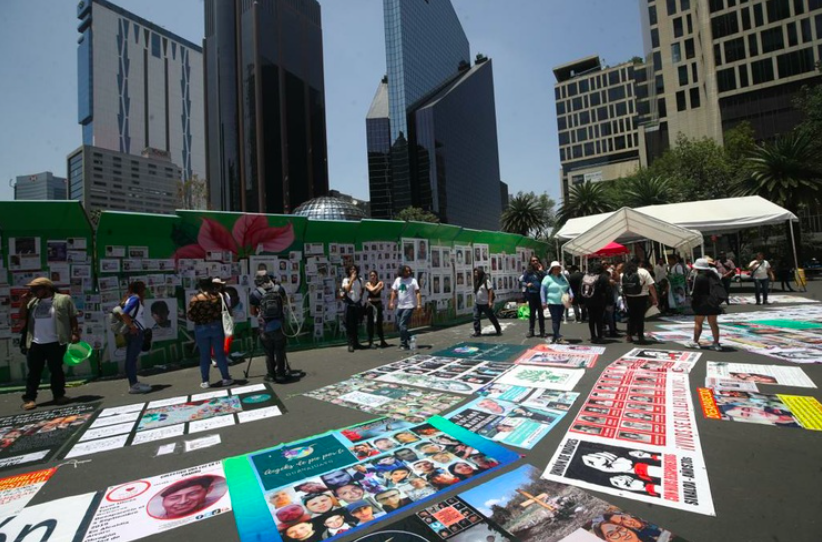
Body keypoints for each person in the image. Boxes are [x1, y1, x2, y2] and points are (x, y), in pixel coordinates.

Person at [18, 277, 81, 410]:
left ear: (46, 288)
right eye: (31, 289)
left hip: (56, 342)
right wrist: (23, 303)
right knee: (34, 372)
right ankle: (30, 398)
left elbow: (72, 317)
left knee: (56, 370)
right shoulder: (33, 302)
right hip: (35, 342)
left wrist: (75, 333)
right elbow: (22, 317)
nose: (32, 292)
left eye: (35, 289)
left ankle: (59, 395)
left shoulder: (64, 299)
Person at [249, 271, 304, 383]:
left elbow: (252, 312)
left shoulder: (255, 294)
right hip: (279, 325)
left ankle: (271, 375)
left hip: (264, 327)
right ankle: (281, 374)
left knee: (268, 352)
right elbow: (284, 303)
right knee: (280, 350)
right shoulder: (279, 289)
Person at [188, 278, 233, 389]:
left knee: (204, 355)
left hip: (201, 328)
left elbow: (190, 316)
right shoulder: (218, 297)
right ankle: (226, 378)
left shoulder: (195, 299)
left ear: (200, 286)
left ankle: (205, 381)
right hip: (216, 326)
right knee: (220, 354)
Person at [121, 281, 152, 394]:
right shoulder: (135, 299)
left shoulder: (130, 298)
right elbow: (124, 313)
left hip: (134, 332)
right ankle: (133, 385)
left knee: (132, 358)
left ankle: (134, 383)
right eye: (144, 289)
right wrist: (132, 326)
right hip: (135, 333)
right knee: (131, 359)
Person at [688, 258, 725, 352]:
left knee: (698, 322)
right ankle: (716, 343)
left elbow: (696, 292)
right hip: (713, 301)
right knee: (713, 323)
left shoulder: (699, 277)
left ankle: (695, 342)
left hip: (702, 302)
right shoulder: (713, 275)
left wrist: (693, 300)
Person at [621, 260, 658, 344]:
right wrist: (655, 298)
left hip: (629, 297)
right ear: (639, 264)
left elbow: (622, 286)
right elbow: (651, 286)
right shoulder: (643, 272)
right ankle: (640, 336)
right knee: (640, 317)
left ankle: (629, 335)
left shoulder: (624, 273)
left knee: (631, 316)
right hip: (641, 297)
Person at [388, 265, 422, 351]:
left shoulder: (413, 280)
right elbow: (393, 291)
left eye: (409, 271)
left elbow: (417, 292)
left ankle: (403, 344)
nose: (408, 272)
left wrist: (419, 304)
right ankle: (410, 337)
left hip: (409, 306)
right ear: (402, 272)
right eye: (406, 271)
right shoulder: (398, 280)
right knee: (398, 325)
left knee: (402, 324)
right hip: (400, 306)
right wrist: (391, 302)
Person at [541, 261, 572, 344]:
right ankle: (558, 337)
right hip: (552, 302)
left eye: (558, 268)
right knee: (555, 319)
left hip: (562, 301)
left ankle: (555, 335)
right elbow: (542, 290)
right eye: (554, 269)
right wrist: (543, 301)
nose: (556, 270)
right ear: (551, 269)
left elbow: (568, 287)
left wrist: (571, 294)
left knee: (558, 320)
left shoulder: (563, 277)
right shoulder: (547, 278)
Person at [580, 264, 612, 344]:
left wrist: (581, 302)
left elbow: (580, 289)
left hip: (588, 300)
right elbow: (608, 290)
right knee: (599, 319)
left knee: (591, 319)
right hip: (600, 301)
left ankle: (593, 336)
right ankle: (600, 336)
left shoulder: (585, 277)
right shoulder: (603, 277)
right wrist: (610, 302)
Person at [519, 257, 546, 337]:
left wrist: (541, 271)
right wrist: (527, 284)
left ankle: (542, 331)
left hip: (540, 295)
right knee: (532, 314)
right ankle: (531, 331)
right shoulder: (528, 272)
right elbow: (522, 281)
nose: (535, 262)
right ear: (530, 262)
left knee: (541, 314)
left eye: (536, 260)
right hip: (531, 294)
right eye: (533, 261)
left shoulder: (541, 272)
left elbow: (547, 278)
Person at [471, 267, 502, 337]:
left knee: (491, 317)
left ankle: (498, 329)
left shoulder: (486, 281)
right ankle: (477, 332)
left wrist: (490, 301)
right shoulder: (476, 281)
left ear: (480, 273)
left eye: (476, 273)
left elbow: (490, 290)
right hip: (477, 303)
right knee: (475, 317)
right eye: (474, 273)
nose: (475, 274)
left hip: (485, 303)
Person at [341, 265, 364, 352]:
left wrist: (360, 296)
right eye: (351, 269)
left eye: (354, 269)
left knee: (356, 325)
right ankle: (350, 344)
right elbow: (347, 289)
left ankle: (356, 343)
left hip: (357, 305)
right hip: (349, 305)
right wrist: (351, 280)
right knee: (349, 325)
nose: (353, 271)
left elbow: (362, 289)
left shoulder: (360, 280)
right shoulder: (346, 280)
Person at [364, 271, 389, 348]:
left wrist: (375, 288)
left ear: (376, 276)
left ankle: (382, 340)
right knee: (370, 323)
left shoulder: (380, 283)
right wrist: (378, 285)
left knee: (379, 322)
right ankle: (370, 341)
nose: (372, 277)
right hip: (370, 304)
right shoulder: (368, 284)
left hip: (378, 303)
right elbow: (372, 291)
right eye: (371, 275)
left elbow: (374, 293)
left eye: (374, 275)